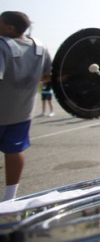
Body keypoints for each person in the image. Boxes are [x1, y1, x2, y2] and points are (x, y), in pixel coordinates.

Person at [0, 11, 52, 201]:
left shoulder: (1, 45)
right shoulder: (40, 47)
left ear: (9, 28)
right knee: (15, 151)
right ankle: (9, 197)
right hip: (22, 112)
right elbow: (48, 75)